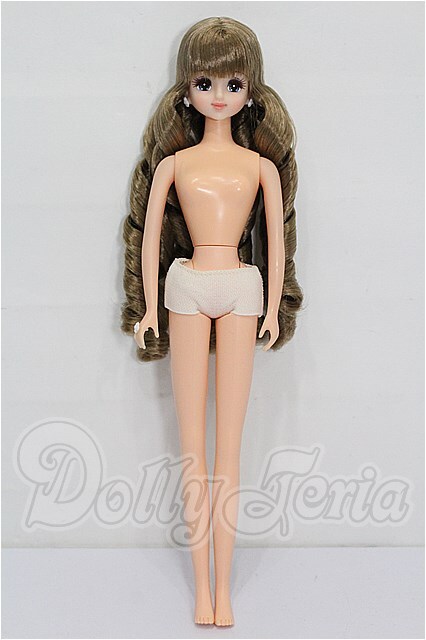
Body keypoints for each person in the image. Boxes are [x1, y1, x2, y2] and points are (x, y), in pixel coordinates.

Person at [121, 16, 303, 626]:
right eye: (205, 82)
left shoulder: (262, 167)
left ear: (251, 90)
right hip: (187, 286)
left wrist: (274, 306)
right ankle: (202, 588)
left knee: (230, 446)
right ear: (186, 90)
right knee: (192, 446)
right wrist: (149, 306)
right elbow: (148, 238)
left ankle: (224, 589)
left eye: (233, 83)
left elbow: (276, 242)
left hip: (242, 287)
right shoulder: (173, 165)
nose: (219, 95)